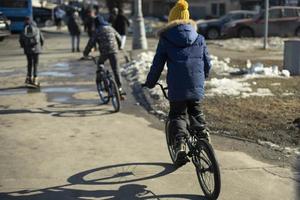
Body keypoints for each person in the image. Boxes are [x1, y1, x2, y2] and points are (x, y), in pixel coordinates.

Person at [143, 0, 212, 162]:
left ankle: (180, 144)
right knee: (195, 109)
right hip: (196, 83)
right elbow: (207, 62)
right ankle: (202, 133)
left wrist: (150, 82)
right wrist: (202, 77)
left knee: (177, 114)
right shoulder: (199, 38)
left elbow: (157, 64)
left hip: (177, 86)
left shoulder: (166, 38)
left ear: (171, 20)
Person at [83, 16, 124, 96]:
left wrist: (86, 53)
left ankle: (103, 81)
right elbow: (119, 38)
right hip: (114, 51)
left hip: (104, 52)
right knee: (116, 70)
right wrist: (119, 46)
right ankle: (119, 88)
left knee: (100, 63)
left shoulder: (97, 30)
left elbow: (91, 43)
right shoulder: (111, 28)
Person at [19, 17, 44, 86]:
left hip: (27, 49)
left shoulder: (24, 30)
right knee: (35, 64)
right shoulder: (37, 29)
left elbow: (21, 40)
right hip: (36, 49)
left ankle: (29, 78)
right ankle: (35, 79)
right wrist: (40, 46)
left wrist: (23, 46)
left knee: (29, 63)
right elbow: (42, 39)